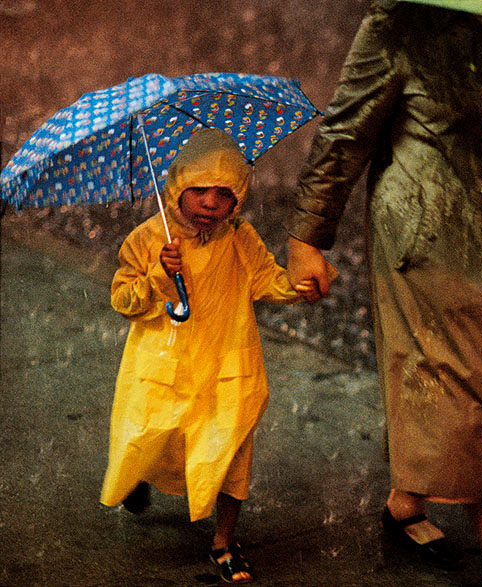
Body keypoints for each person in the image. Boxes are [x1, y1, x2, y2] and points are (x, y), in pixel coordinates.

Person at [286, 3, 482, 586]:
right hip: (433, 243)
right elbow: (344, 131)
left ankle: (406, 500)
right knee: (480, 401)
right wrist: (308, 236)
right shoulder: (400, 25)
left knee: (480, 384)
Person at [100, 128, 324, 584]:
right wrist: (160, 277)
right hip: (164, 365)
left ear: (238, 199)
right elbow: (124, 301)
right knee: (155, 434)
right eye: (198, 190)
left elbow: (266, 281)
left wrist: (300, 286)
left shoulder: (240, 238)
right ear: (177, 189)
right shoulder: (148, 240)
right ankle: (139, 477)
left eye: (224, 194)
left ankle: (223, 541)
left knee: (230, 452)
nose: (209, 204)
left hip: (228, 365)